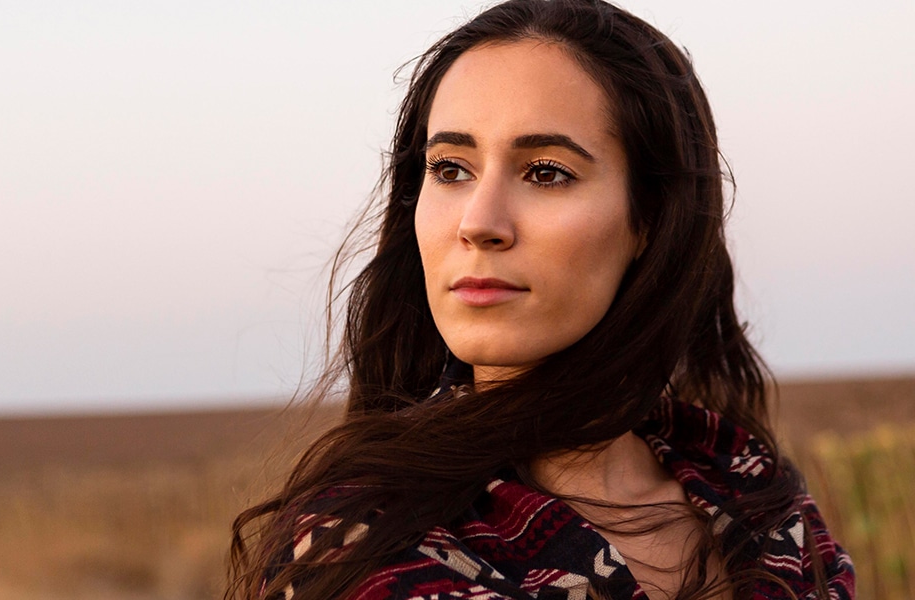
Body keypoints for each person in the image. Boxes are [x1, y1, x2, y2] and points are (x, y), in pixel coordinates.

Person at [228, 1, 855, 599]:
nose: (479, 222)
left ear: (649, 220)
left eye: (545, 172)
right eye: (449, 169)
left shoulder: (756, 496)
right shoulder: (361, 546)